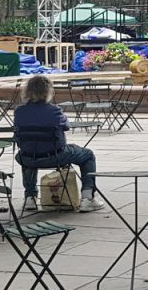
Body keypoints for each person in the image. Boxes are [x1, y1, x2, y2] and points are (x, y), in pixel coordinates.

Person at [14, 75, 101, 212]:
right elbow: (66, 125)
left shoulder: (19, 111)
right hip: (55, 155)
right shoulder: (54, 111)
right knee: (88, 155)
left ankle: (30, 197)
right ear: (48, 91)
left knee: (30, 152)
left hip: (28, 157)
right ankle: (87, 197)